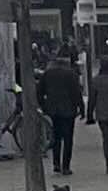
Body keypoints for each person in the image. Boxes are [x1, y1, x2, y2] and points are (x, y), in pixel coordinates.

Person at [34, 52, 79, 182]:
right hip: (68, 110)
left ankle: (56, 164)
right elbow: (76, 93)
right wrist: (80, 108)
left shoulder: (47, 74)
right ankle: (66, 166)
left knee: (56, 138)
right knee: (68, 139)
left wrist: (44, 106)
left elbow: (39, 92)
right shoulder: (71, 74)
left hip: (53, 110)